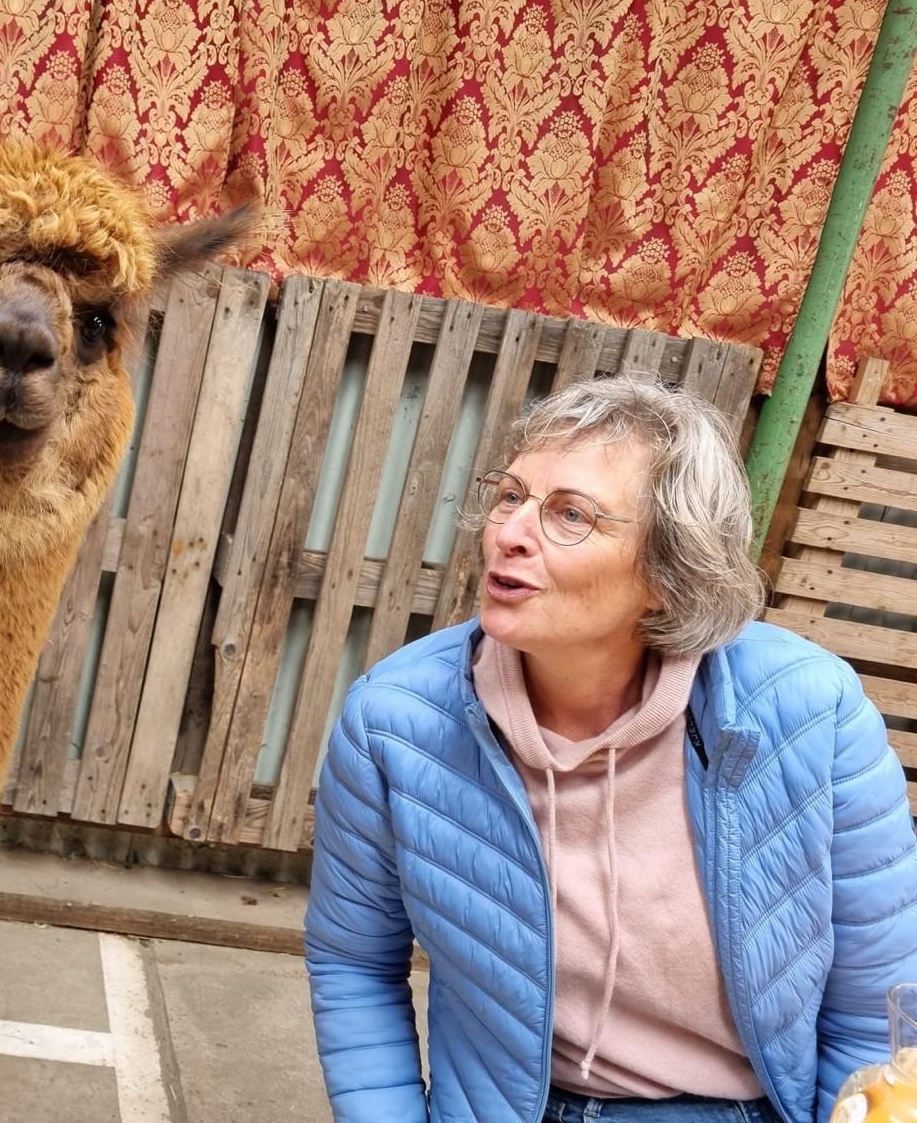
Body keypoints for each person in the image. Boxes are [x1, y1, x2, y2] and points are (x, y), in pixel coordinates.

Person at [304, 374, 917, 1123]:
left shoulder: (810, 713)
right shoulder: (395, 721)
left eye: (570, 514)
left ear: (668, 572)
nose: (510, 533)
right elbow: (355, 963)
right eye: (511, 495)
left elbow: (875, 1008)